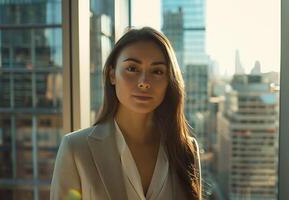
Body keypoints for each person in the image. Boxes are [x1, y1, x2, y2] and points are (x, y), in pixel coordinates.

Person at [50, 27, 202, 200]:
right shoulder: (76, 148)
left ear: (169, 81)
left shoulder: (185, 150)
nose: (144, 82)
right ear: (112, 75)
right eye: (132, 68)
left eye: (157, 71)